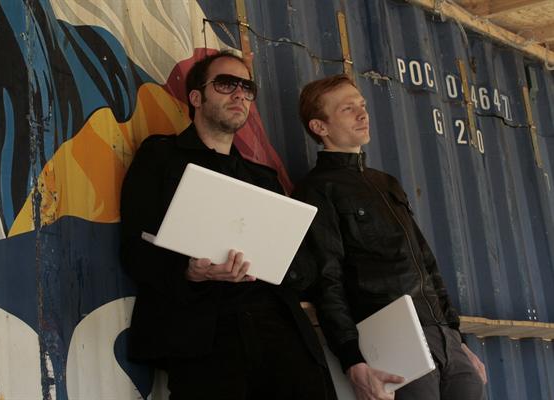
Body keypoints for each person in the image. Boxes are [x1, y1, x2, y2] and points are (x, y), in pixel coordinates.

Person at [119, 51, 337, 400]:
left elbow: (303, 264)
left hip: (279, 330)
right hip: (202, 336)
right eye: (225, 84)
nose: (239, 94)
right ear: (196, 97)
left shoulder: (264, 179)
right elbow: (134, 248)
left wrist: (282, 265)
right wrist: (189, 272)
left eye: (247, 88)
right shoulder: (160, 156)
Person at [292, 74, 487, 400]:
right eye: (347, 109)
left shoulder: (387, 183)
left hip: (444, 337)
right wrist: (352, 359)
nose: (362, 114)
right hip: (395, 337)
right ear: (319, 126)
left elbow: (427, 263)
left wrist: (459, 340)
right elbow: (327, 281)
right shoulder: (317, 189)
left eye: (362, 105)